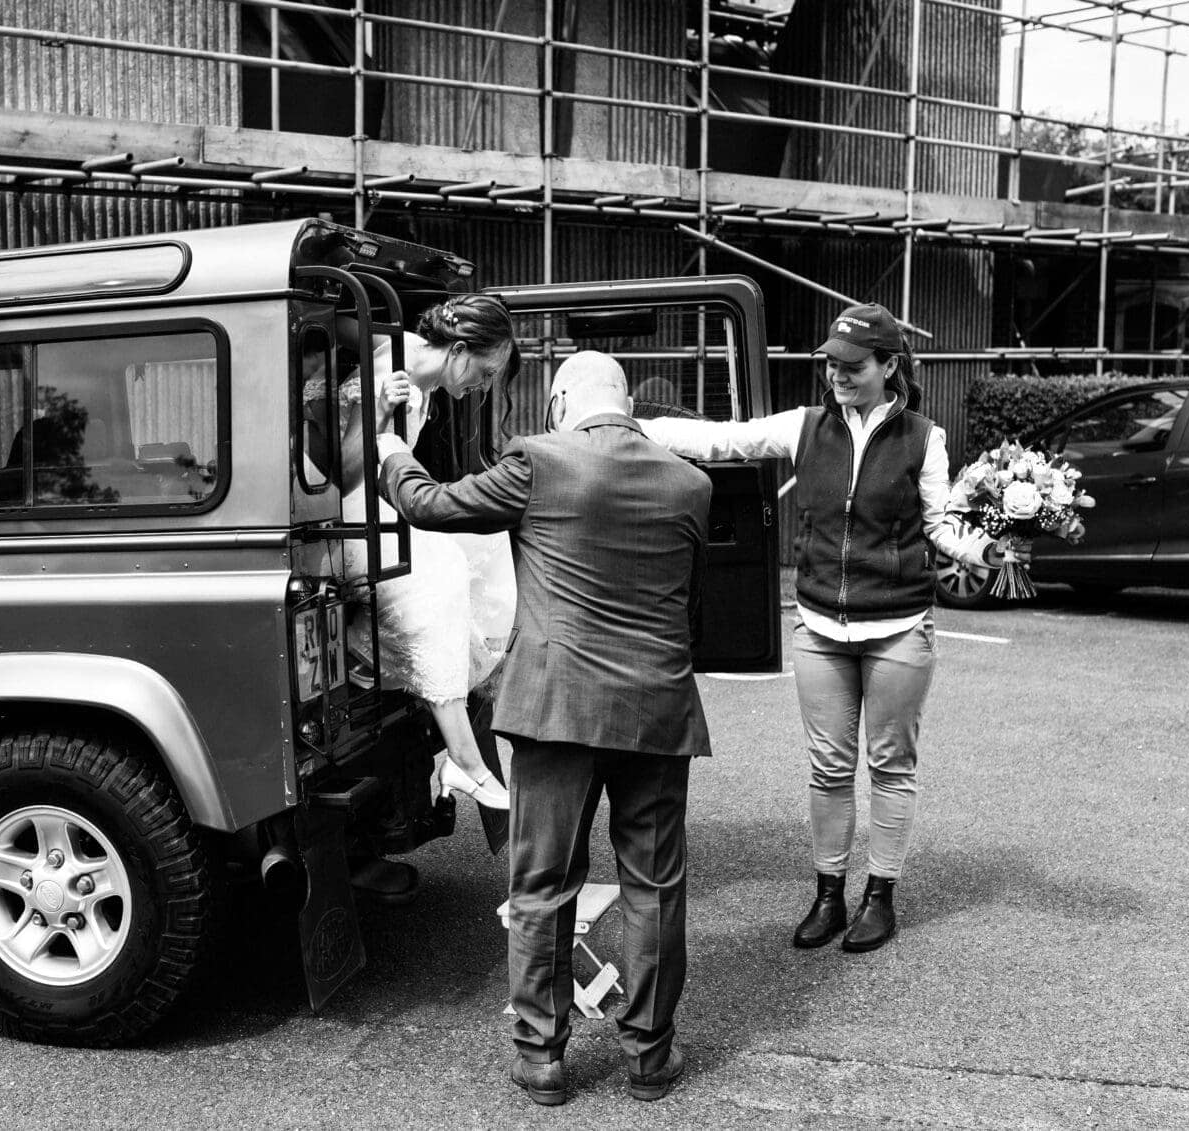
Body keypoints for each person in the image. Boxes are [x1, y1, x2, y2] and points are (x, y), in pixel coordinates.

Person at [374, 350, 713, 1106]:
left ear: (561, 402)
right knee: (654, 887)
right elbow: (691, 612)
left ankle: (543, 1057)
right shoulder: (690, 483)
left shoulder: (539, 459)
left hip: (557, 707)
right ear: (624, 402)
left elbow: (432, 505)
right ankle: (649, 1056)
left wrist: (390, 447)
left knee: (542, 885)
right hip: (656, 708)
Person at [640, 302, 1025, 955]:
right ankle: (827, 894)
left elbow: (940, 526)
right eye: (830, 363)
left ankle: (880, 896)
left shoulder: (922, 438)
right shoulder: (805, 425)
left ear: (888, 366)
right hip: (820, 625)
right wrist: (624, 424)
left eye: (851, 365)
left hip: (899, 626)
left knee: (891, 764)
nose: (837, 374)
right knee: (827, 766)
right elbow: (720, 440)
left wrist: (990, 552)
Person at [331, 293, 520, 813]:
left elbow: (350, 327)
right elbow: (344, 474)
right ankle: (462, 756)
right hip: (348, 518)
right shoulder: (388, 374)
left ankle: (456, 736)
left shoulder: (413, 355)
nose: (483, 386)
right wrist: (376, 411)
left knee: (480, 548)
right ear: (459, 350)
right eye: (484, 372)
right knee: (437, 573)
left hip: (382, 507)